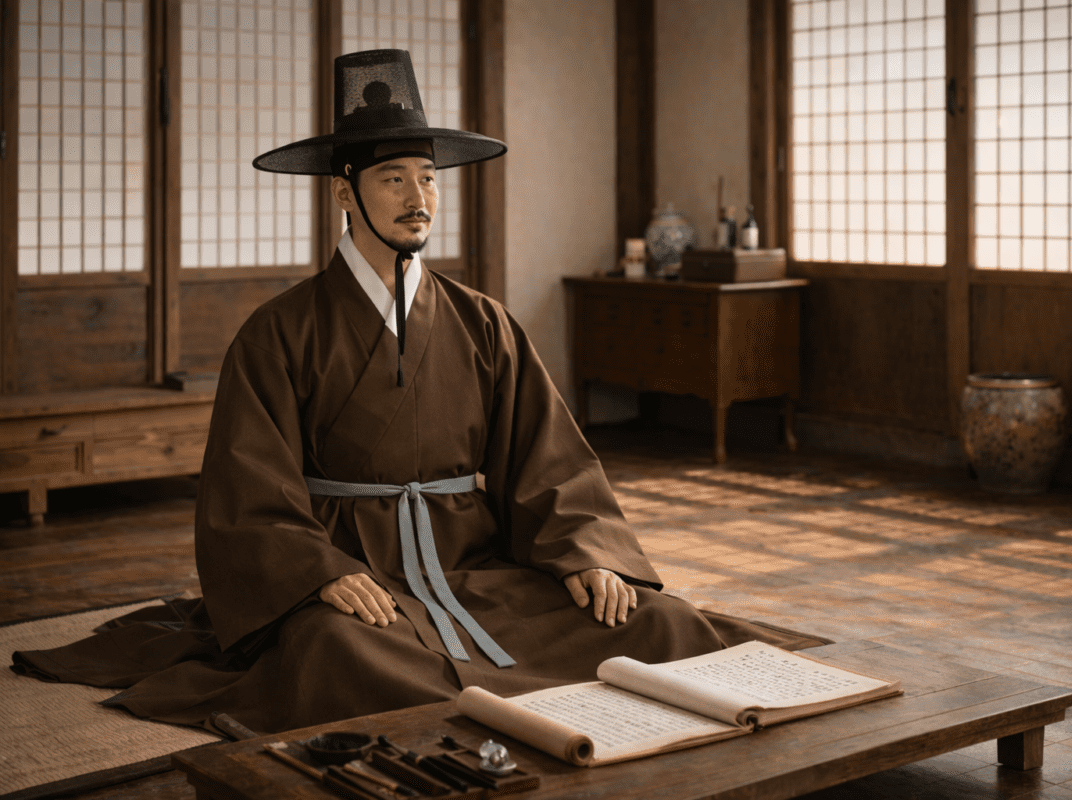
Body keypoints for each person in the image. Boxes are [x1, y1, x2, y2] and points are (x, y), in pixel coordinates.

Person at [13, 50, 826, 734]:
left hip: (471, 563)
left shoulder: (483, 323)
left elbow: (547, 461)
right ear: (344, 193)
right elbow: (247, 487)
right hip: (355, 569)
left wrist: (583, 552)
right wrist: (316, 572)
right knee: (342, 655)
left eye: (429, 179)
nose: (418, 198)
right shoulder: (279, 331)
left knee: (660, 621)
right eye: (394, 178)